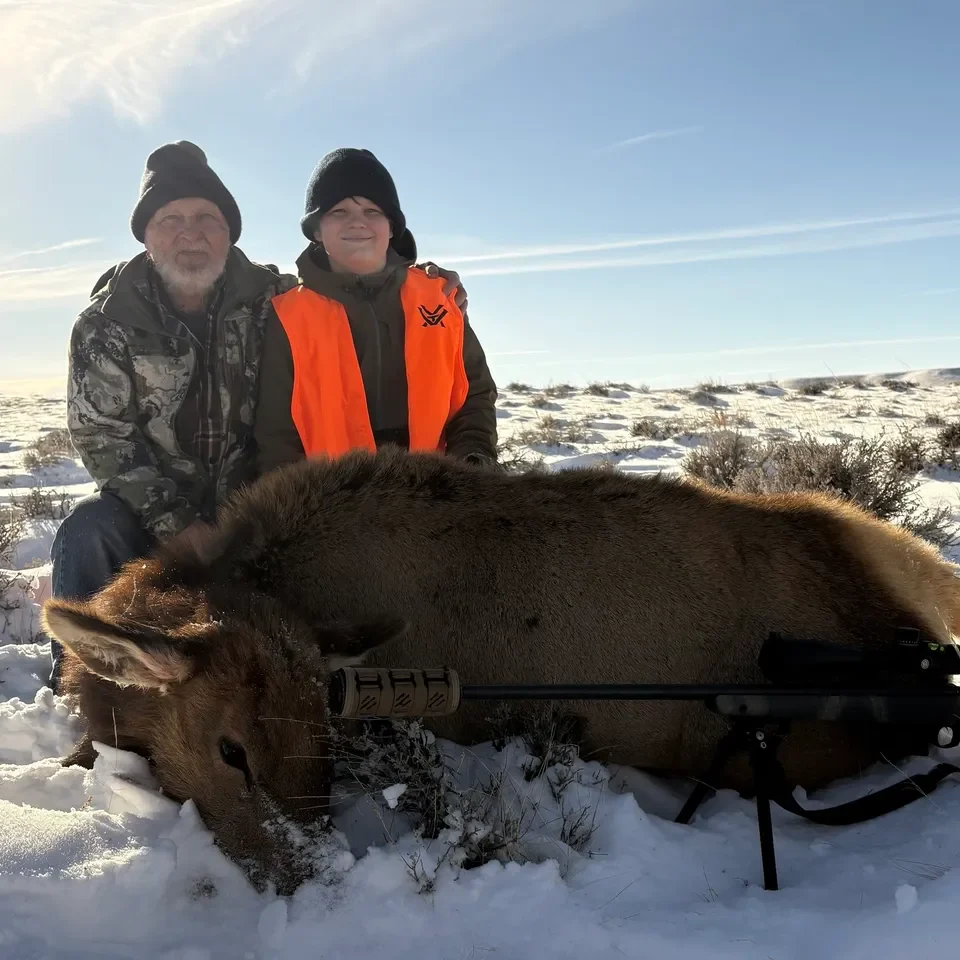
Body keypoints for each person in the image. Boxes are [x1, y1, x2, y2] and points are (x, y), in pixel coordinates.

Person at [48, 140, 468, 691]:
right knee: (89, 530)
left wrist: (422, 279)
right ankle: (83, 682)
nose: (189, 232)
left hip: (254, 499)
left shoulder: (275, 296)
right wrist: (178, 525)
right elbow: (103, 435)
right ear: (146, 235)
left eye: (207, 218)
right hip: (148, 510)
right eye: (170, 218)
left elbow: (349, 278)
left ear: (230, 232)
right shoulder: (104, 323)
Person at [253, 148, 498, 474]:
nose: (357, 222)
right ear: (316, 230)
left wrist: (472, 463)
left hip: (436, 497)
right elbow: (276, 433)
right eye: (338, 211)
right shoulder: (287, 315)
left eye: (372, 211)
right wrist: (296, 510)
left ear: (392, 226)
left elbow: (474, 396)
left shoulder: (441, 297)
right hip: (332, 507)